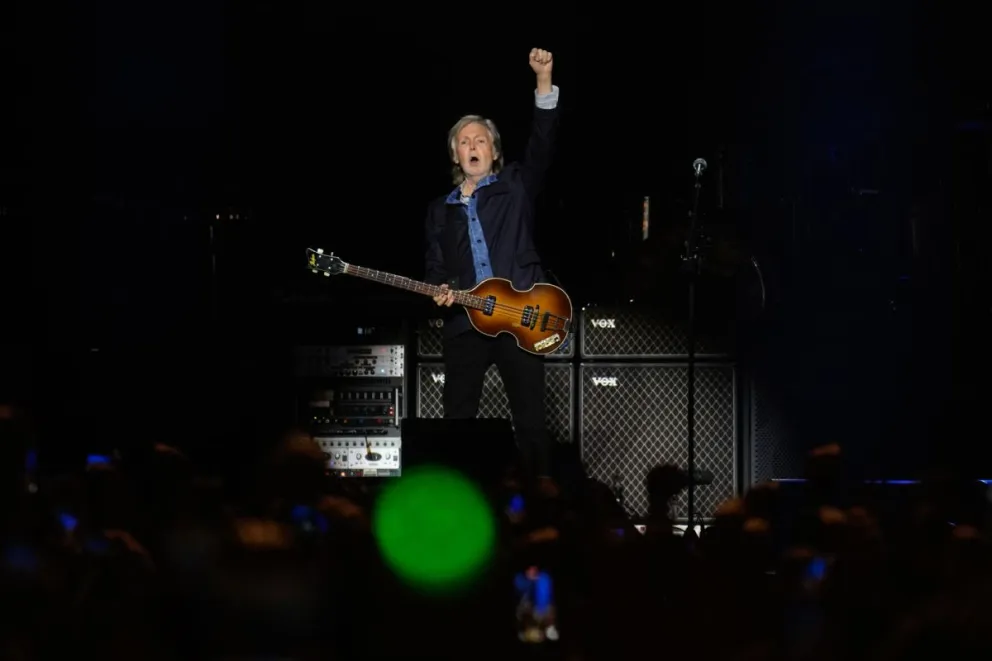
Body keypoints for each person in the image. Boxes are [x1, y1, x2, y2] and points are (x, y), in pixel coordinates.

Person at [423, 48, 560, 485]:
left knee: (531, 423)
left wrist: (543, 81)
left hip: (522, 317)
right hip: (466, 324)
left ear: (494, 151)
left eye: (480, 139)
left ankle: (541, 504)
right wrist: (437, 290)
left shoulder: (516, 186)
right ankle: (463, 504)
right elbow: (435, 266)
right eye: (464, 142)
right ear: (454, 155)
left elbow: (542, 143)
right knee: (458, 420)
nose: (472, 146)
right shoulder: (439, 211)